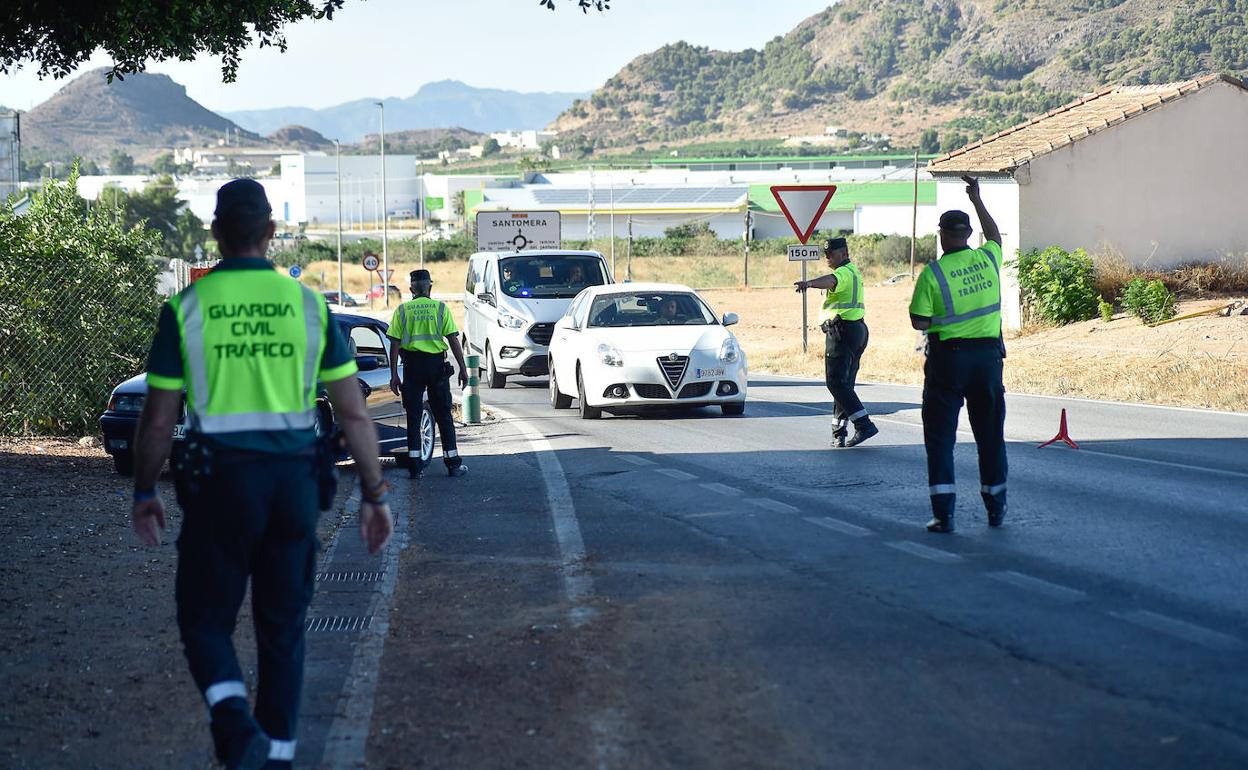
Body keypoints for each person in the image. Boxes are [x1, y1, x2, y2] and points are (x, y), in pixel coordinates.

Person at [130, 179, 393, 770]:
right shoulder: (310, 306)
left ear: (216, 232)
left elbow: (157, 420)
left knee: (203, 621)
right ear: (271, 234)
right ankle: (274, 758)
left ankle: (232, 720)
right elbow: (353, 413)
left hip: (220, 485)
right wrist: (375, 494)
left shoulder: (186, 309)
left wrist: (146, 489)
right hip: (293, 485)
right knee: (283, 631)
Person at [909, 175, 1008, 533]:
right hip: (987, 361)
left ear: (942, 235)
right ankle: (996, 509)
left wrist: (943, 320)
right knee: (990, 437)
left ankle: (944, 515)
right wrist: (977, 199)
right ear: (967, 234)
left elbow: (918, 320)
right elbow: (995, 236)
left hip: (948, 362)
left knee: (940, 440)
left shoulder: (933, 274)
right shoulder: (988, 260)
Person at [795, 237, 878, 448]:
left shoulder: (843, 273)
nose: (827, 257)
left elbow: (831, 280)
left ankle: (863, 424)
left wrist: (810, 283)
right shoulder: (854, 271)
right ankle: (838, 432)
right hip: (857, 329)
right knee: (844, 384)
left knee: (835, 382)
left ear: (843, 253)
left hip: (842, 332)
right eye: (826, 254)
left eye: (831, 254)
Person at [388, 269, 469, 479]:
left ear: (411, 289)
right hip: (436, 368)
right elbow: (453, 340)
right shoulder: (440, 308)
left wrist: (394, 375)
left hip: (412, 368)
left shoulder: (403, 310)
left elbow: (395, 345)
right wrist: (463, 368)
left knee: (414, 416)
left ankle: (415, 467)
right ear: (430, 287)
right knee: (443, 415)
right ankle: (453, 464)